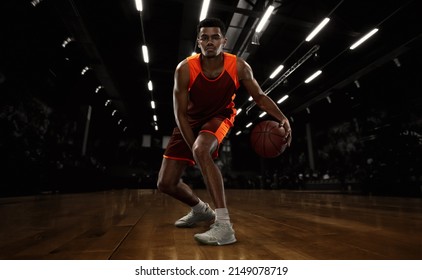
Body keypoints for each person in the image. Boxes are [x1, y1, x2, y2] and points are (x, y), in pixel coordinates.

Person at [157, 18, 292, 246]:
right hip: (189, 120)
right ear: (199, 41)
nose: (210, 42)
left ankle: (224, 225)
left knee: (202, 149)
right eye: (205, 37)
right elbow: (180, 114)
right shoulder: (185, 68)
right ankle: (201, 210)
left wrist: (282, 117)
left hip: (219, 117)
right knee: (165, 184)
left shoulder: (238, 66)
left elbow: (258, 96)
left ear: (224, 40)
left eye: (215, 37)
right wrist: (192, 149)